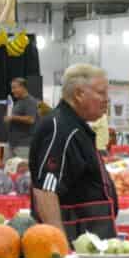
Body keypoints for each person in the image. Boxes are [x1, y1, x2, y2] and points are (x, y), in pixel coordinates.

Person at [30, 63, 118, 241]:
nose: (106, 99)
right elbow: (45, 190)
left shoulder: (75, 126)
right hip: (74, 242)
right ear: (78, 94)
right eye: (101, 93)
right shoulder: (61, 128)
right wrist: (59, 244)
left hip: (88, 237)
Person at [6, 78, 38, 159]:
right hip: (13, 144)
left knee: (22, 171)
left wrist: (13, 117)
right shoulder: (18, 102)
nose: (12, 91)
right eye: (11, 88)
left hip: (23, 146)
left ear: (23, 87)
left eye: (14, 87)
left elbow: (31, 119)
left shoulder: (30, 101)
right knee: (9, 170)